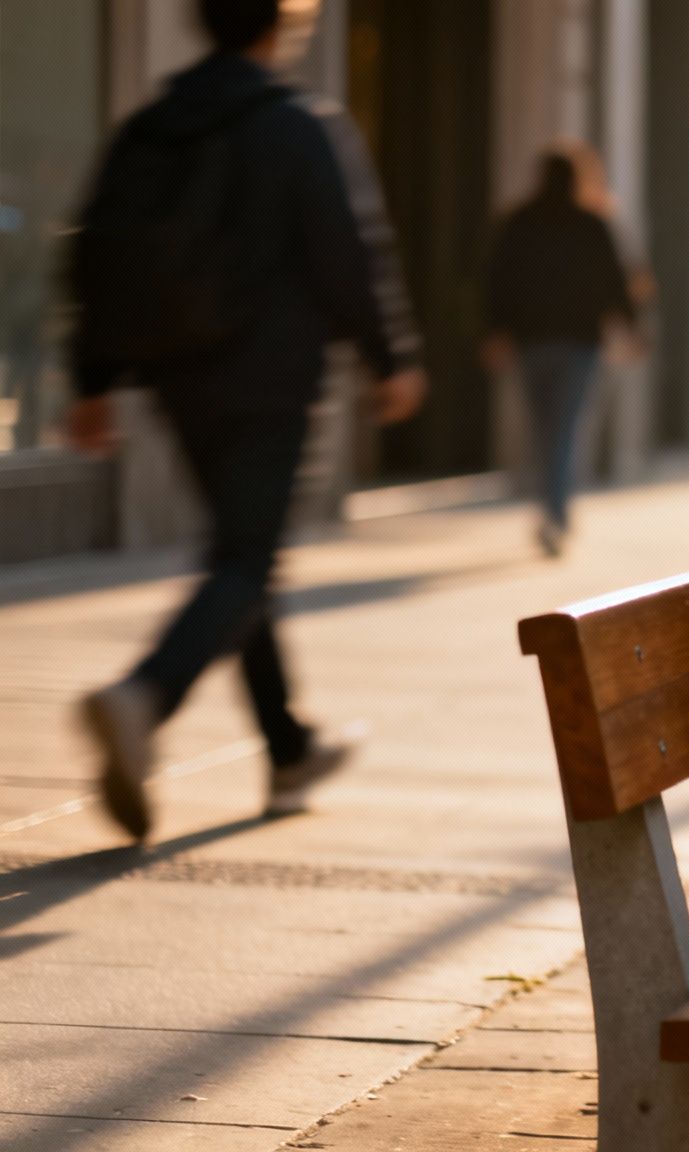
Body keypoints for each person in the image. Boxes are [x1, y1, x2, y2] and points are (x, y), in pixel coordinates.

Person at [67, 0, 423, 840]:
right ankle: (144, 695)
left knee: (242, 553)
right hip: (272, 378)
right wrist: (390, 356)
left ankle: (288, 744)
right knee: (247, 555)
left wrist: (94, 379)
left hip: (178, 378)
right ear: (277, 27)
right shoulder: (296, 124)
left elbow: (95, 249)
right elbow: (344, 250)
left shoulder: (150, 127)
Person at [482, 145, 637, 557]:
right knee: (565, 429)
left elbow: (497, 280)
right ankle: (555, 515)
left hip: (531, 341)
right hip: (579, 342)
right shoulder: (591, 223)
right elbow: (615, 280)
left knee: (543, 428)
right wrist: (631, 328)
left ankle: (551, 509)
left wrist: (495, 331)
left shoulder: (518, 222)